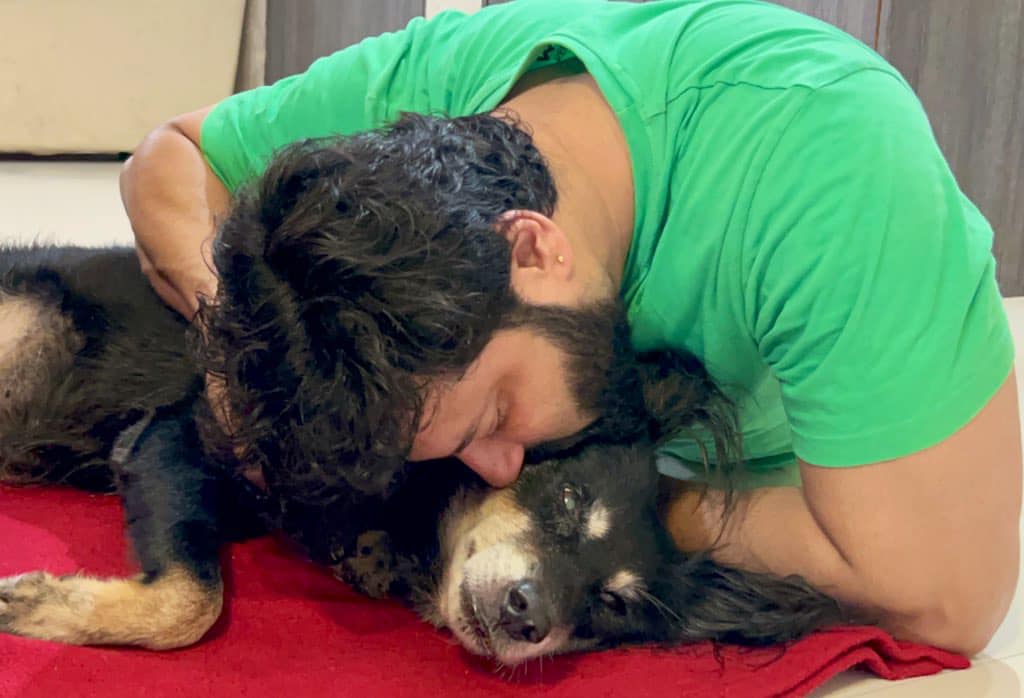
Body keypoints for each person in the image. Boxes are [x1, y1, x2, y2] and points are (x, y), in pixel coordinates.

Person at [119, 0, 1021, 655]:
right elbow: (170, 159)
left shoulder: (829, 173)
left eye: (496, 414)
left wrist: (637, 506)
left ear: (533, 247)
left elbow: (947, 598)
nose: (499, 469)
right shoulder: (426, 98)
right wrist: (251, 349)